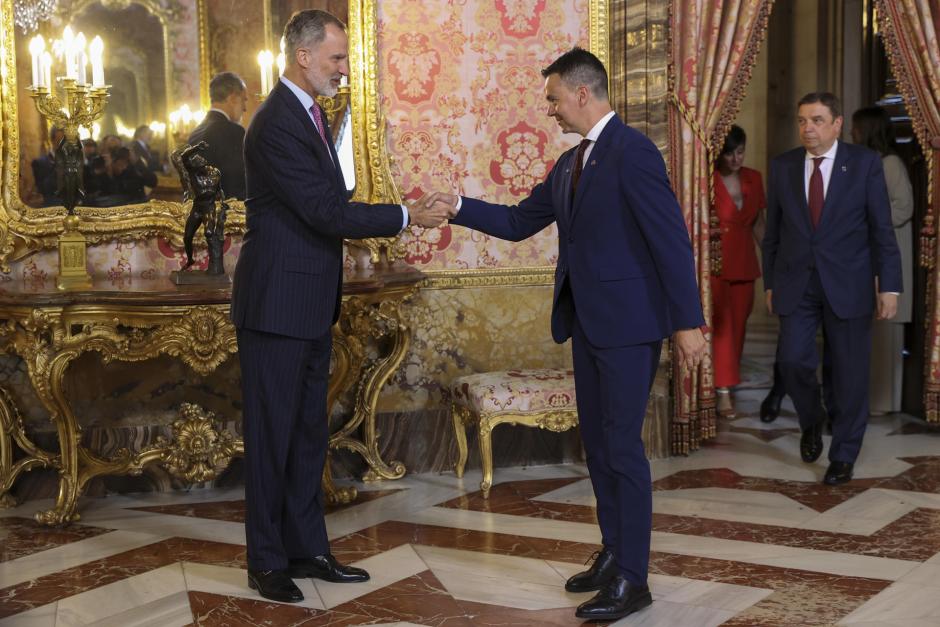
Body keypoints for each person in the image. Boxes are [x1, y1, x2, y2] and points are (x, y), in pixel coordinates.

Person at [423, 47, 706, 622]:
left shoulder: (633, 153)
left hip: (629, 329)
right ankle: (614, 554)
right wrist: (456, 205)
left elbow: (671, 240)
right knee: (599, 446)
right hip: (587, 326)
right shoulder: (571, 164)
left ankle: (634, 577)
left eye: (553, 97)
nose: (549, 109)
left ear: (583, 92)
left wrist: (686, 323)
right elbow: (517, 221)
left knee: (622, 449)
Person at [229, 9, 448, 604]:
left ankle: (309, 550)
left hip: (307, 303)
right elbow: (325, 214)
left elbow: (334, 195)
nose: (343, 69)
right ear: (303, 56)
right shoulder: (275, 122)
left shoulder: (314, 118)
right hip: (276, 304)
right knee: (272, 437)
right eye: (336, 58)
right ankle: (267, 562)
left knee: (306, 437)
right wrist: (407, 214)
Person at [762, 92, 901, 486]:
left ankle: (843, 454)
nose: (808, 128)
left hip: (850, 283)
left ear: (837, 124)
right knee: (792, 361)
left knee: (850, 374)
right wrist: (770, 282)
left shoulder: (864, 164)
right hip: (796, 283)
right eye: (803, 120)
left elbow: (881, 230)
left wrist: (888, 285)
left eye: (818, 120)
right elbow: (772, 235)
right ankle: (812, 419)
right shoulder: (784, 166)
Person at [851, 106, 914, 414]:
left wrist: (870, 217)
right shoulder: (864, 163)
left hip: (888, 253)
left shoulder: (891, 164)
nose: (852, 133)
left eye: (856, 128)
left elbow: (904, 207)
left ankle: (884, 403)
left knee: (887, 331)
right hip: (866, 255)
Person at [711, 125, 765, 418]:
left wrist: (773, 259)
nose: (735, 159)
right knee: (722, 330)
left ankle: (727, 384)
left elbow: (758, 224)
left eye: (740, 151)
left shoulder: (754, 178)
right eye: (730, 153)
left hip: (745, 262)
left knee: (739, 328)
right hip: (716, 264)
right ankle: (722, 393)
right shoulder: (705, 178)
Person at [188, 71, 248, 200]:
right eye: (244, 100)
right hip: (229, 214)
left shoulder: (195, 132)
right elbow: (239, 183)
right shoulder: (232, 131)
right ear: (232, 98)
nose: (245, 108)